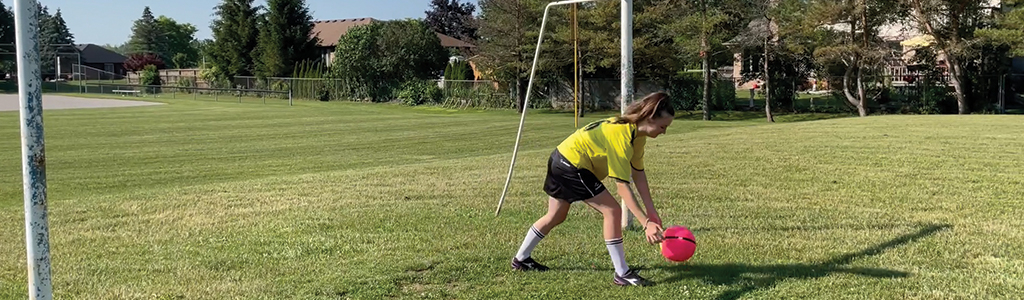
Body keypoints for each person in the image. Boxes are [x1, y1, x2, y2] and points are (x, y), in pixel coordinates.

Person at [510, 91, 675, 287]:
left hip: (560, 157)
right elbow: (622, 186)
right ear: (649, 118)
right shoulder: (620, 135)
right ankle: (622, 273)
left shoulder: (637, 135)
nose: (664, 131)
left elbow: (638, 174)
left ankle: (520, 260)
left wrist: (652, 213)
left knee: (556, 215)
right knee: (612, 211)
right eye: (663, 126)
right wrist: (644, 223)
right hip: (571, 165)